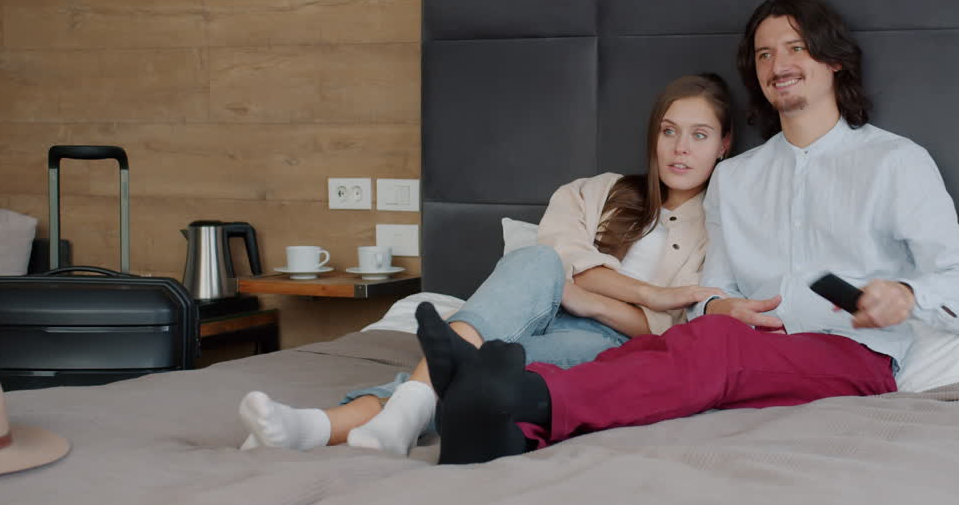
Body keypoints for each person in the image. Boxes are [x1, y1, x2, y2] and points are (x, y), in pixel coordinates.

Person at [414, 0, 959, 464]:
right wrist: (719, 308)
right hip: (745, 342)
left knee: (713, 350)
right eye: (765, 55)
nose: (779, 64)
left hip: (854, 355)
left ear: (834, 61)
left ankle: (524, 397)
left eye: (796, 48)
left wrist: (907, 296)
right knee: (686, 343)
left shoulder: (896, 163)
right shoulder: (736, 177)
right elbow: (711, 292)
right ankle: (500, 418)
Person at [237, 73, 735, 455]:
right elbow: (557, 260)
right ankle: (403, 410)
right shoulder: (590, 192)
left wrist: (589, 302)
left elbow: (666, 330)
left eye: (699, 135)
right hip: (525, 301)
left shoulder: (719, 230)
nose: (681, 149)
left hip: (603, 338)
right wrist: (646, 293)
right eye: (669, 131)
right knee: (535, 259)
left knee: (485, 371)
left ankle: (324, 425)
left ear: (724, 145)